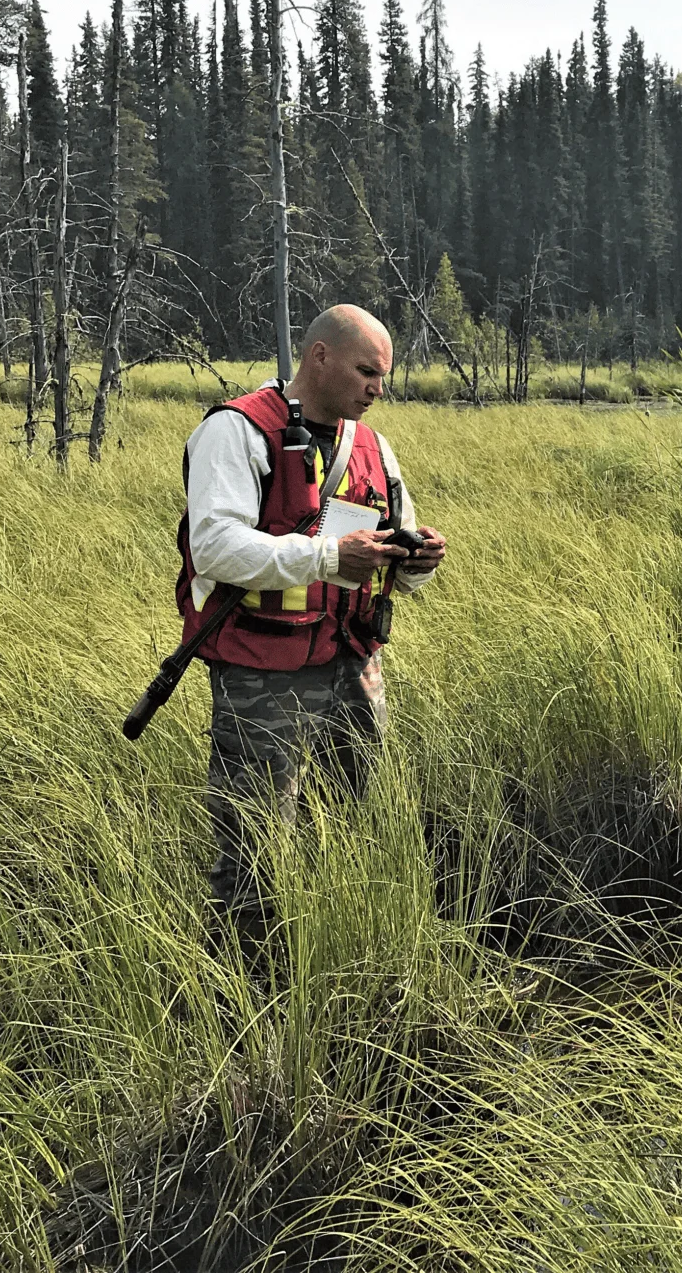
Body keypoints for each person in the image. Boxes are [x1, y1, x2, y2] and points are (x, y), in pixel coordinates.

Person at [177, 304, 446, 936]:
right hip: (262, 671)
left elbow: (392, 572)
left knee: (351, 820)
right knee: (255, 842)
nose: (378, 388)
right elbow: (214, 547)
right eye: (367, 372)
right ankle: (247, 983)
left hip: (355, 667)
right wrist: (330, 556)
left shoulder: (376, 448)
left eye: (383, 375)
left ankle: (328, 952)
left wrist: (419, 560)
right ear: (318, 357)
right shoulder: (236, 432)